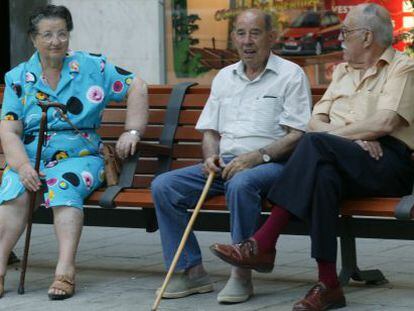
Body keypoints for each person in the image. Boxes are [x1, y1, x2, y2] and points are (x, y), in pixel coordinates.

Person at [210, 3, 414, 310]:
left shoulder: (402, 68)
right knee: (322, 176)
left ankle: (263, 243)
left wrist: (349, 136)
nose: (341, 37)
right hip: (343, 158)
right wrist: (354, 138)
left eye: (346, 31)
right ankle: (328, 284)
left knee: (315, 145)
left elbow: (384, 123)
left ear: (367, 37)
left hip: (388, 163)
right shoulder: (343, 71)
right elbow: (313, 121)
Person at [151, 9, 311, 303]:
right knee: (164, 185)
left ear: (271, 37)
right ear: (234, 38)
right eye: (240, 33)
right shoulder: (225, 77)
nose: (247, 41)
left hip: (273, 166)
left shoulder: (290, 74)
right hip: (225, 165)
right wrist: (210, 156)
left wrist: (256, 157)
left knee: (242, 183)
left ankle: (241, 275)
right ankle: (191, 270)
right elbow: (210, 131)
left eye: (255, 33)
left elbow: (296, 135)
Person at [0, 5, 148, 300]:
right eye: (47, 35)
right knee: (14, 189)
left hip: (81, 157)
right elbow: (9, 130)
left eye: (62, 33)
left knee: (63, 184)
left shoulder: (93, 67)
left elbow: (137, 86)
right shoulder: (18, 76)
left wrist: (132, 131)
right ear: (33, 39)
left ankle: (65, 271)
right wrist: (23, 166)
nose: (56, 41)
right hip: (32, 155)